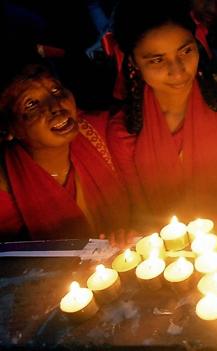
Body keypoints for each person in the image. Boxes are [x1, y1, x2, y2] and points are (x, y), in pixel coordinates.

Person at [107, 0, 217, 233]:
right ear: (133, 62)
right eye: (157, 60)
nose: (178, 70)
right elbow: (140, 219)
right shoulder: (125, 128)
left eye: (186, 51)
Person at [0, 55, 129, 241]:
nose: (56, 106)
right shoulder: (5, 186)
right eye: (31, 104)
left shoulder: (101, 130)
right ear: (10, 129)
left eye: (56, 90)